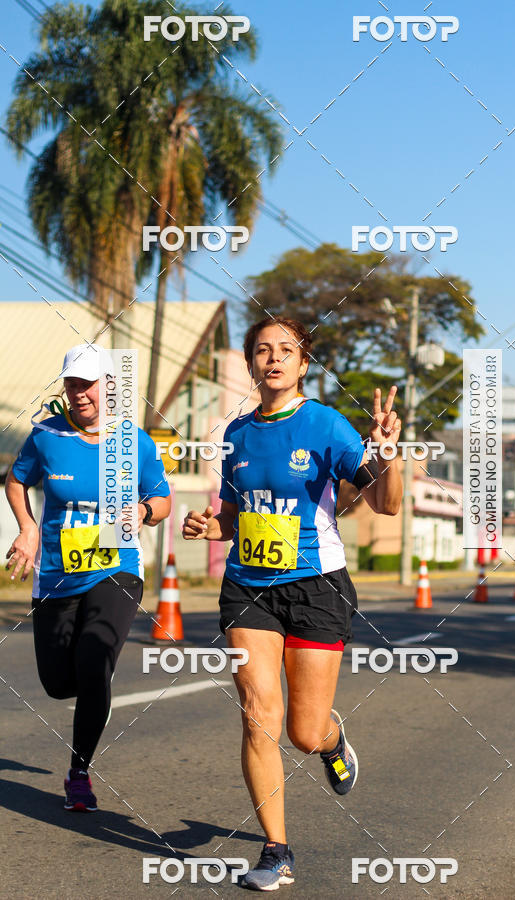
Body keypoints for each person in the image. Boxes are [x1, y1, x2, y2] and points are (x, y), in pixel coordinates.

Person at [183, 316, 402, 891]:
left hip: (316, 587)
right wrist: (210, 526)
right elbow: (233, 515)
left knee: (303, 732)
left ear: (304, 364)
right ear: (252, 363)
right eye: (262, 350)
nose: (273, 358)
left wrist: (387, 455)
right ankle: (276, 851)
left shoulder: (326, 425)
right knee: (259, 718)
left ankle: (332, 742)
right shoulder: (234, 434)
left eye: (286, 350)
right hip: (248, 588)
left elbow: (386, 504)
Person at [5, 343, 171, 812]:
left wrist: (142, 510)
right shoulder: (46, 437)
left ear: (109, 385)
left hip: (115, 568)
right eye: (72, 384)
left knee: (95, 659)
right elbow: (16, 479)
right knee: (59, 683)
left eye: (88, 383)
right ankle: (87, 680)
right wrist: (28, 527)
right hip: (57, 575)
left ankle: (79, 772)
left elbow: (162, 499)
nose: (79, 393)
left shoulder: (132, 440)